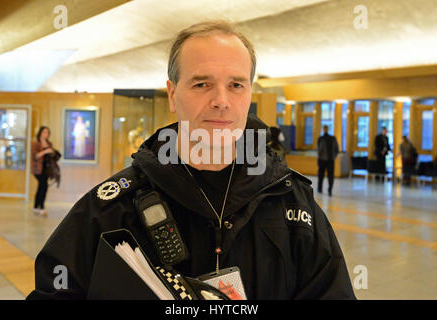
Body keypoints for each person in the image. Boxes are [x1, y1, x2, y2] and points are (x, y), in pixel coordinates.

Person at [27, 21, 355, 300]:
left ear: (249, 95)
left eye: (236, 85)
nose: (221, 101)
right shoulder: (111, 209)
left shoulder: (291, 202)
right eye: (202, 84)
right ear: (172, 94)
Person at [31, 126, 54, 216]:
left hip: (47, 169)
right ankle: (42, 207)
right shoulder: (36, 143)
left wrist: (51, 152)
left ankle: (36, 206)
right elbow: (35, 156)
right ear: (40, 133)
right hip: (38, 169)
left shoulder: (49, 143)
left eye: (47, 132)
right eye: (44, 132)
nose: (46, 134)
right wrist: (45, 151)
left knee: (41, 186)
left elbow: (52, 155)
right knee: (44, 185)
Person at [317, 125, 339, 196]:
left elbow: (319, 149)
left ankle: (323, 189)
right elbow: (336, 149)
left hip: (324, 160)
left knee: (323, 175)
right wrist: (333, 157)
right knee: (328, 175)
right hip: (328, 160)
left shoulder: (321, 138)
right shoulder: (332, 138)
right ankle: (326, 189)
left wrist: (321, 156)